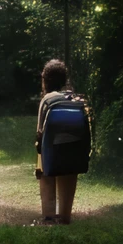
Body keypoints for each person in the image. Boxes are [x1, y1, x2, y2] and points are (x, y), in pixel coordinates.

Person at [35, 59, 78, 225]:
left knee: (43, 168)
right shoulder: (74, 98)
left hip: (52, 153)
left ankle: (49, 217)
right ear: (64, 79)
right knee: (69, 171)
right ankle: (65, 217)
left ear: (45, 79)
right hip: (74, 152)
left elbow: (40, 134)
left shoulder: (47, 100)